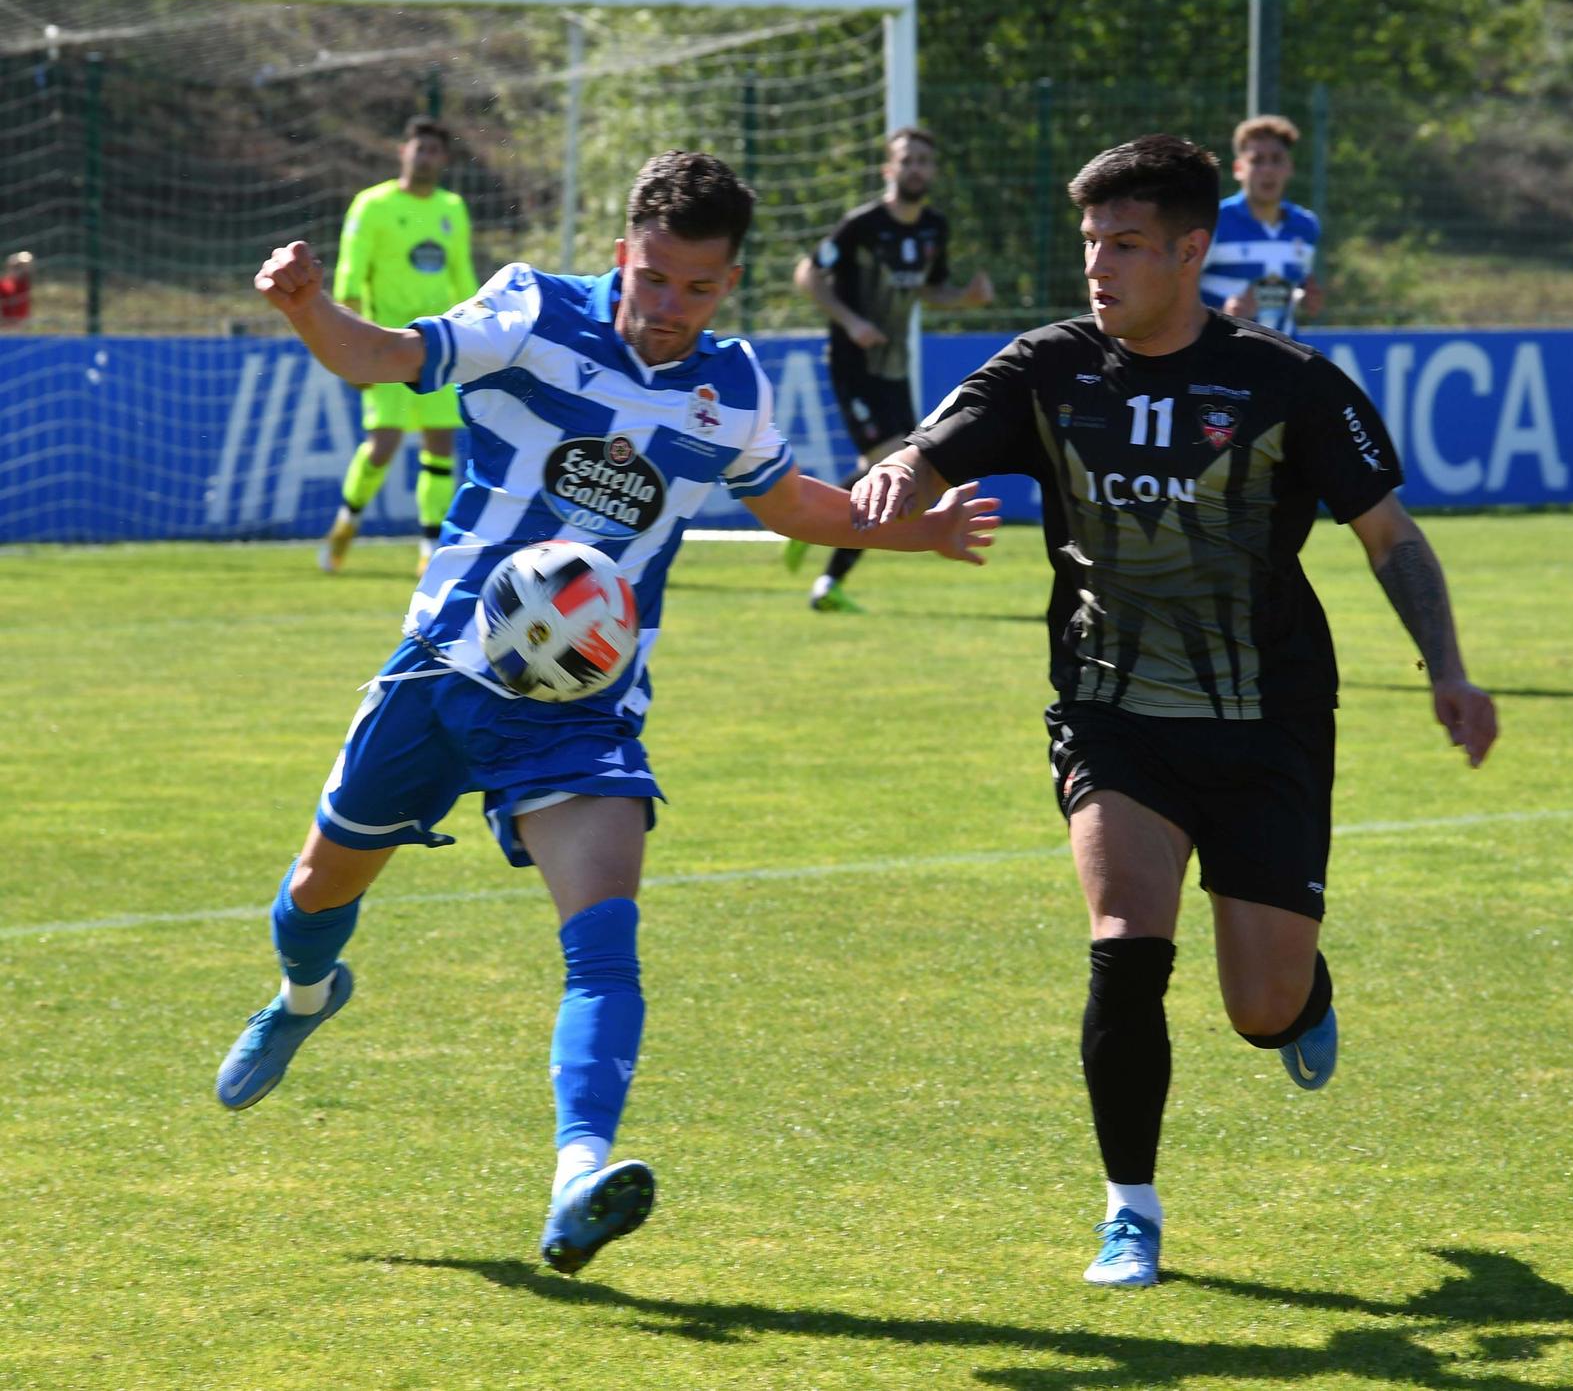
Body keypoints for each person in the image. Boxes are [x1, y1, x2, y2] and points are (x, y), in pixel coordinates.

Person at [220, 151, 998, 1277]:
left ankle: (578, 1170)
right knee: (314, 892)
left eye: (700, 288)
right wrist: (307, 306)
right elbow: (386, 357)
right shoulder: (533, 310)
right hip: (443, 667)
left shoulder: (730, 387)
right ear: (623, 251)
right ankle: (305, 990)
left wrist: (914, 531)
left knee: (604, 942)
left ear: (730, 282)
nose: (672, 308)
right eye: (654, 278)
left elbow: (786, 501)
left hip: (580, 704)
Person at [852, 134, 1497, 1289]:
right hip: (1110, 709)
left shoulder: (1285, 381)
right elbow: (934, 443)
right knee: (1123, 941)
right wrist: (902, 469)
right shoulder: (1045, 368)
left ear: (1191, 250)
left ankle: (1302, 997)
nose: (1099, 266)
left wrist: (1445, 669)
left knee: (1259, 1006)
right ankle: (1128, 1210)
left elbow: (1388, 536)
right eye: (1090, 241)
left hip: (1267, 721)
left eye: (1127, 244)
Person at [783, 125, 993, 612]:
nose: (916, 167)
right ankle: (827, 581)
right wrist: (853, 322)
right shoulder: (863, 225)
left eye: (924, 159)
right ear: (889, 169)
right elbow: (807, 274)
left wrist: (966, 298)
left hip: (896, 367)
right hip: (856, 363)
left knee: (880, 472)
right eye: (907, 159)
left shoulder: (933, 229)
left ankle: (805, 516)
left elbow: (930, 291)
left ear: (932, 171)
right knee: (892, 471)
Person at [318, 115, 478, 576]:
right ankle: (347, 521)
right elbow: (351, 276)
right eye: (418, 148)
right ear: (402, 151)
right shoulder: (373, 205)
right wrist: (351, 348)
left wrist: (472, 332)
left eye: (434, 151)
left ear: (444, 159)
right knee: (383, 445)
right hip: (383, 342)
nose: (425, 157)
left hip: (438, 342)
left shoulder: (452, 208)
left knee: (440, 445)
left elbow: (461, 277)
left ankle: (430, 548)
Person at [1198, 114, 1322, 336]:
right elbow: (1177, 290)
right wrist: (1222, 314)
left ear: (1289, 167)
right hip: (1221, 354)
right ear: (1238, 169)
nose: (1268, 170)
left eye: (1277, 159)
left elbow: (1294, 287)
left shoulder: (1306, 226)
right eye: (1257, 160)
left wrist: (1305, 299)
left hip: (1286, 356)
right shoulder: (1213, 220)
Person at [0, 250, 32, 327]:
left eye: (20, 267)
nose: (19, 270)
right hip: (6, 325)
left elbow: (29, 263)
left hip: (22, 325)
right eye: (16, 267)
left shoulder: (24, 283)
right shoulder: (3, 284)